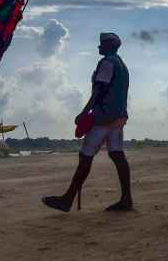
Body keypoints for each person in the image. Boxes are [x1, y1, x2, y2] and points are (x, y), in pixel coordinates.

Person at [42, 32, 133, 212]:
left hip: (104, 118)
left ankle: (67, 200)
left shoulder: (107, 62)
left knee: (85, 157)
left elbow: (99, 91)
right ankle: (126, 199)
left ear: (108, 46)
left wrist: (84, 113)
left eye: (101, 44)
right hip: (119, 117)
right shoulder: (122, 65)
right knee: (117, 155)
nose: (98, 47)